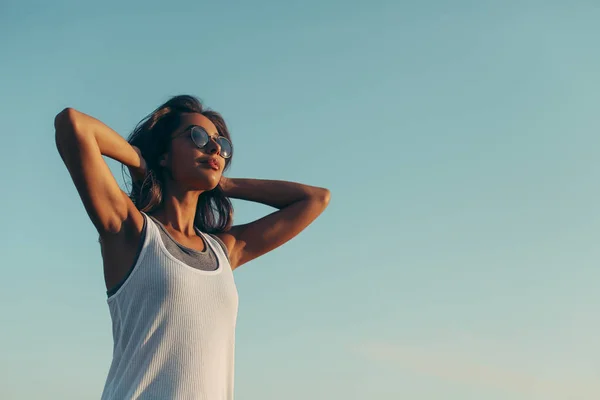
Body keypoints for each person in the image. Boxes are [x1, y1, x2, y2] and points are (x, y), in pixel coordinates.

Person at [54, 95, 330, 399]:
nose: (213, 148)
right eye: (197, 137)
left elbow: (316, 199)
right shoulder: (131, 231)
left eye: (221, 145)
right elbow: (73, 125)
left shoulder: (224, 250)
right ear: (164, 154)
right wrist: (143, 162)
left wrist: (221, 182)